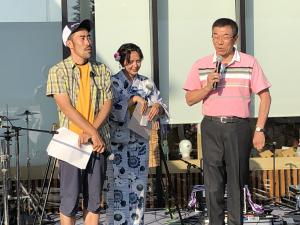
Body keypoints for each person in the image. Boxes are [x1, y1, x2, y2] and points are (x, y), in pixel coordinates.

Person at [183, 18, 271, 225]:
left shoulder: (249, 62)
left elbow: (265, 96)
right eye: (215, 36)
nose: (219, 41)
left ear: (235, 38)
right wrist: (206, 87)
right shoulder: (201, 64)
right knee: (213, 184)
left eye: (225, 36)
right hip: (210, 126)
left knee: (235, 183)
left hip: (238, 127)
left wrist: (259, 129)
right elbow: (188, 99)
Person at [46, 19, 112, 225]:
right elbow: (65, 106)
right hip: (71, 143)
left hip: (97, 143)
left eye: (89, 36)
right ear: (70, 43)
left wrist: (93, 133)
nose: (88, 41)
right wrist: (92, 132)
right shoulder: (58, 70)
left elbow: (107, 104)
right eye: (82, 38)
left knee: (94, 201)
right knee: (69, 200)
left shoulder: (102, 70)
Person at [105, 43, 168, 225]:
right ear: (122, 61)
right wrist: (132, 99)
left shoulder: (146, 82)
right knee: (118, 186)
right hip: (118, 142)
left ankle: (137, 222)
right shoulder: (113, 82)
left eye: (138, 61)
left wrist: (158, 107)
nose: (135, 65)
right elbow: (112, 112)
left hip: (140, 139)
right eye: (130, 61)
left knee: (139, 188)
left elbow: (162, 106)